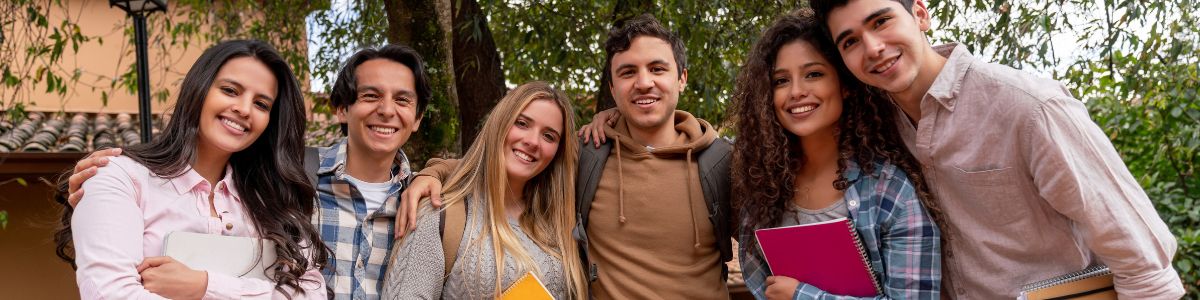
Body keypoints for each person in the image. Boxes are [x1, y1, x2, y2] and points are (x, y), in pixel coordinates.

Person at [810, 0, 1184, 298]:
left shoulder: (1029, 107)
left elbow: (1143, 260)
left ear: (920, 14)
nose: (873, 48)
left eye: (881, 22)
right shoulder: (875, 128)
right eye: (850, 41)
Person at [398, 14, 734, 299]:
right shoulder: (587, 155)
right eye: (628, 72)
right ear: (614, 88)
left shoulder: (721, 163)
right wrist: (434, 173)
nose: (643, 82)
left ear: (681, 79)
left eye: (657, 69)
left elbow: (772, 228)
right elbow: (509, 161)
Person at [58, 44, 432, 300]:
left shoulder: (272, 195)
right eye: (230, 90)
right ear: (200, 89)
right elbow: (111, 292)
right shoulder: (122, 178)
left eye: (261, 103)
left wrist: (203, 286)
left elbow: (311, 294)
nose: (243, 109)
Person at [731, 10, 941, 299]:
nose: (796, 92)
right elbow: (762, 287)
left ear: (844, 85)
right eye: (781, 81)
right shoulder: (764, 193)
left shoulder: (890, 191)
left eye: (813, 74)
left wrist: (801, 296)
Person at [382, 81, 587, 299]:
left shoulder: (560, 224)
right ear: (500, 123)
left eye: (549, 136)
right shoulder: (440, 211)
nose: (533, 142)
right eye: (522, 123)